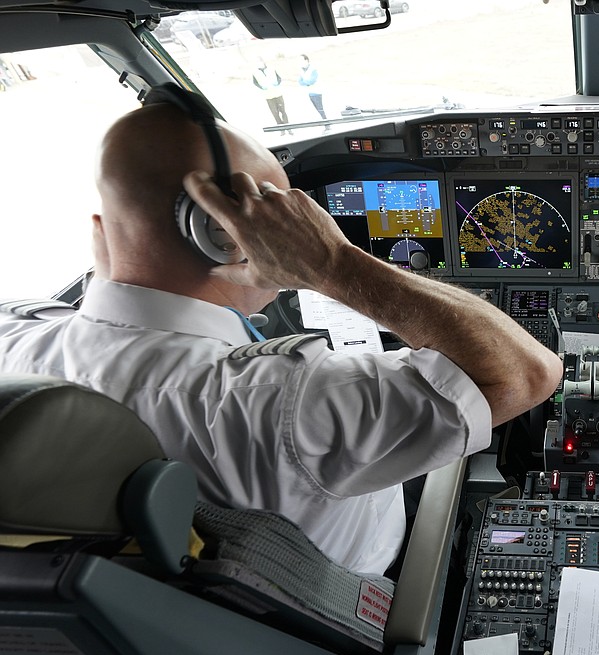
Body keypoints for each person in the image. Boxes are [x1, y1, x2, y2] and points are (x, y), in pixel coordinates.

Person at [0, 96, 563, 575]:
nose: (301, 222)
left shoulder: (14, 347)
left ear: (101, 232)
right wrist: (332, 262)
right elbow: (526, 372)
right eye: (284, 215)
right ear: (226, 238)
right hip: (362, 592)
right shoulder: (280, 402)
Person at [252, 57, 288, 133]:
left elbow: (279, 78)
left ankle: (288, 128)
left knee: (283, 111)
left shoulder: (271, 69)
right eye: (257, 63)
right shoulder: (255, 73)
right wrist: (261, 87)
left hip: (278, 94)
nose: (259, 64)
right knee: (275, 113)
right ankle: (282, 130)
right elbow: (255, 83)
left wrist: (277, 83)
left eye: (260, 62)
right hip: (268, 96)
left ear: (263, 62)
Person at [298, 54, 327, 124]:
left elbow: (312, 81)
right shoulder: (301, 70)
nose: (300, 62)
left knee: (320, 110)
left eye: (301, 60)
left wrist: (306, 83)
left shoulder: (313, 69)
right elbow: (300, 82)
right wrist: (306, 83)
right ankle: (324, 123)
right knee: (316, 110)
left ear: (306, 60)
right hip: (310, 93)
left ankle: (327, 123)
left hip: (317, 92)